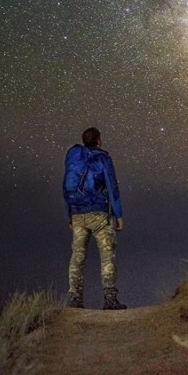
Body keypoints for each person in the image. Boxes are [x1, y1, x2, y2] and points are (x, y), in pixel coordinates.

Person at [63, 126, 126, 310]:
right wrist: (118, 214)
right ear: (98, 140)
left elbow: (66, 187)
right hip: (99, 214)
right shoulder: (102, 158)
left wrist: (70, 213)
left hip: (77, 213)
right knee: (107, 256)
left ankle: (74, 299)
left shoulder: (74, 159)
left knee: (77, 256)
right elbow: (112, 186)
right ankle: (110, 299)